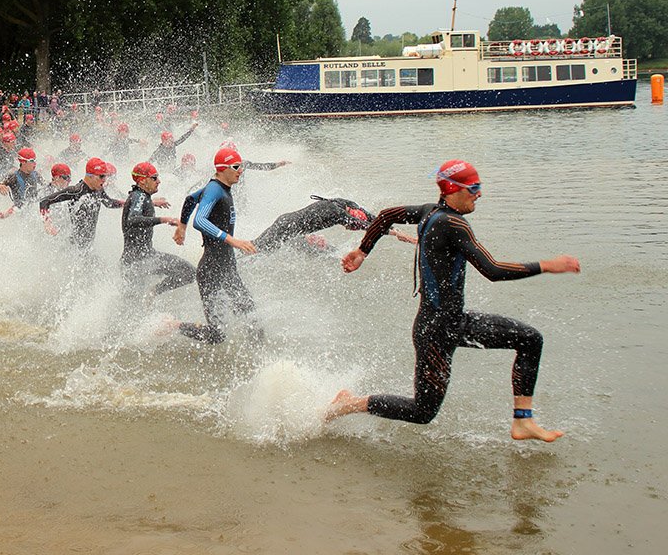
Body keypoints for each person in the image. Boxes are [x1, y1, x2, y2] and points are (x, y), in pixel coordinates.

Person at [326, 160, 578, 442]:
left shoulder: (429, 212)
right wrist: (548, 265)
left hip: (443, 323)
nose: (479, 193)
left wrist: (362, 251)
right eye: (473, 187)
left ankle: (523, 421)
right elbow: (492, 270)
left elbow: (386, 215)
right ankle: (350, 404)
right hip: (440, 329)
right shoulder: (453, 223)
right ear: (450, 188)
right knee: (422, 411)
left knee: (530, 340)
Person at [168, 147, 258, 344]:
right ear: (223, 168)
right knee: (217, 335)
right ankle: (173, 326)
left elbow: (190, 199)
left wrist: (181, 227)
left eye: (241, 166)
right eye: (236, 166)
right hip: (211, 270)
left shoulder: (221, 188)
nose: (240, 170)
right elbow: (199, 221)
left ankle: (259, 366)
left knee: (252, 318)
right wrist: (233, 240)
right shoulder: (215, 190)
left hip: (226, 267)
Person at [121, 162, 193, 305]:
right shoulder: (140, 197)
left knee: (132, 306)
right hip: (141, 259)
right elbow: (132, 219)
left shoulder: (141, 196)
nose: (158, 181)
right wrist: (164, 219)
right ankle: (154, 291)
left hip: (135, 260)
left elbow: (135, 204)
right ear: (142, 181)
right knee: (189, 272)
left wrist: (151, 202)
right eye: (154, 178)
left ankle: (152, 293)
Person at [247, 195, 417, 256]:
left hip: (291, 226)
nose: (349, 228)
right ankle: (234, 252)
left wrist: (395, 229)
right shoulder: (337, 213)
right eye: (350, 226)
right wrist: (396, 235)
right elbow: (367, 226)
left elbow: (372, 219)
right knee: (257, 250)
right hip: (286, 228)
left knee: (323, 249)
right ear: (349, 214)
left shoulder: (345, 203)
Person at [37, 157, 125, 251]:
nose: (104, 180)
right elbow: (44, 201)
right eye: (102, 176)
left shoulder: (98, 190)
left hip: (88, 246)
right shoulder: (76, 191)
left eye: (106, 176)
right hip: (73, 247)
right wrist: (47, 222)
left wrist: (126, 203)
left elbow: (109, 203)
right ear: (90, 175)